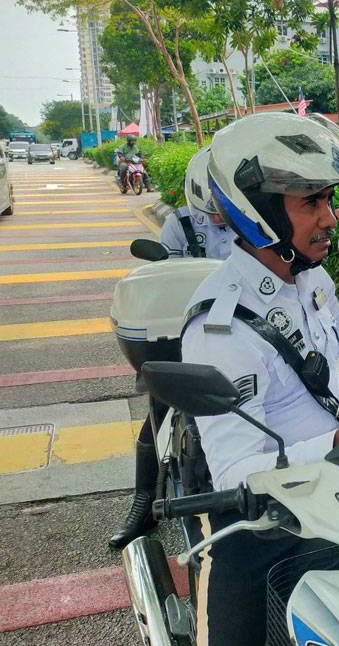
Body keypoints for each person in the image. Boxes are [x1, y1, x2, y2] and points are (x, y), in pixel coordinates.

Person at [180, 112, 339, 645]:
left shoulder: (305, 280)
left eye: (329, 200)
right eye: (311, 203)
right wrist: (338, 438)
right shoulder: (220, 327)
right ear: (258, 211)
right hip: (262, 521)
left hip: (333, 490)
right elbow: (235, 476)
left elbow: (329, 350)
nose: (331, 219)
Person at [108, 147, 234, 550]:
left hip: (241, 336)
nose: (218, 213)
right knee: (158, 409)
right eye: (210, 203)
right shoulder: (179, 225)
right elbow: (168, 277)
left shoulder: (258, 224)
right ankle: (143, 502)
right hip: (185, 331)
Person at [159, 146, 234, 259]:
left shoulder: (256, 223)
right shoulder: (180, 222)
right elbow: (166, 267)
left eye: (222, 212)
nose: (217, 219)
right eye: (209, 212)